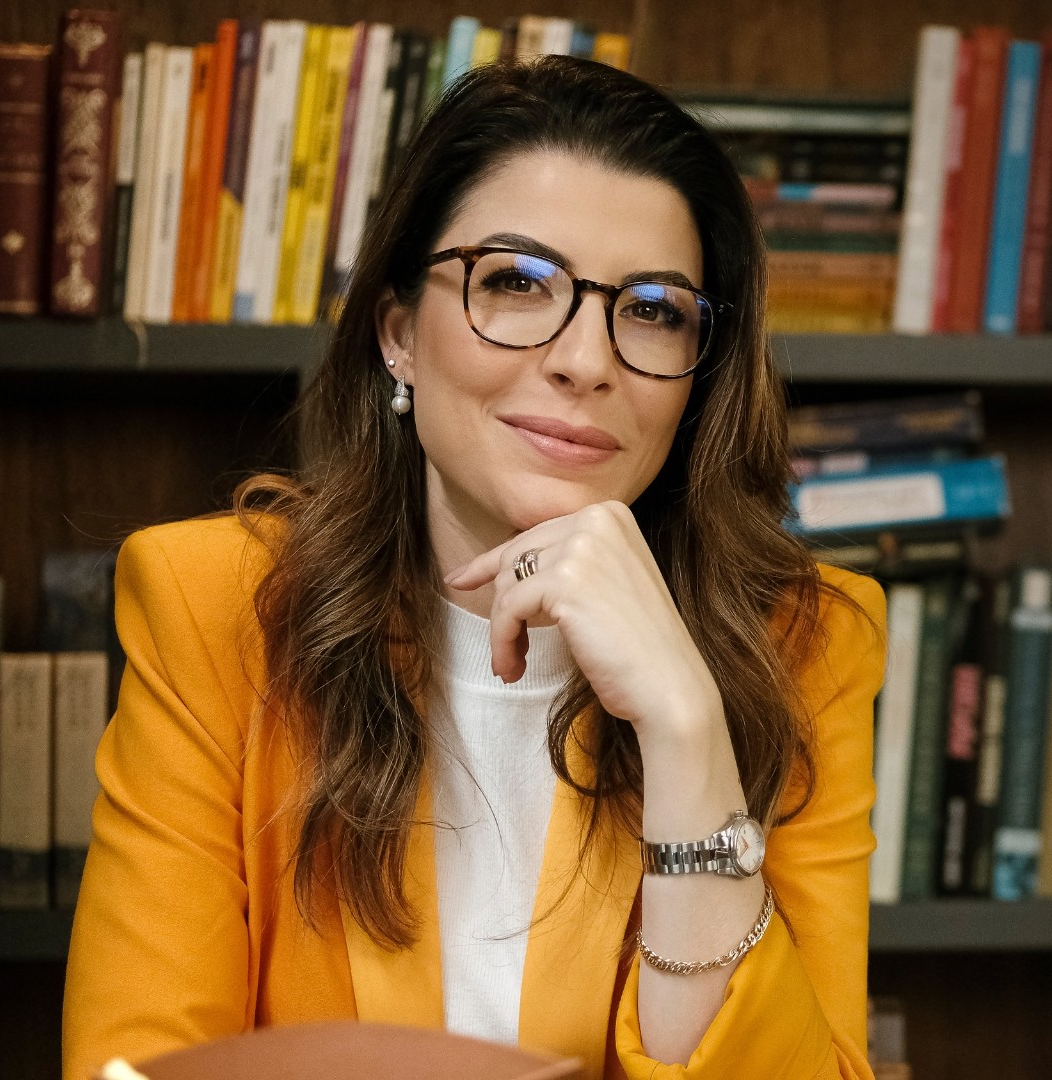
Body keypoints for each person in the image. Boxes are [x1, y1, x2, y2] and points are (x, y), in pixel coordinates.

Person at [62, 56, 886, 1080]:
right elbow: (139, 1064)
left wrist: (687, 732)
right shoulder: (212, 606)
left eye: (654, 310)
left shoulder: (809, 644)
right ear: (400, 334)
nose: (587, 359)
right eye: (516, 283)